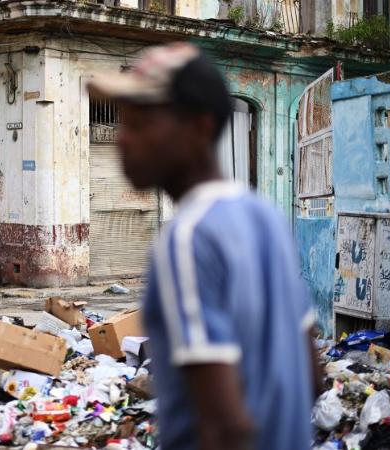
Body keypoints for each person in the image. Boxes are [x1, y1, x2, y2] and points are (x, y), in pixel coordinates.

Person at [88, 42, 321, 450]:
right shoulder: (263, 215)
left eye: (140, 124)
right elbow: (312, 377)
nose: (122, 140)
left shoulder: (186, 239)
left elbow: (225, 427)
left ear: (198, 127)